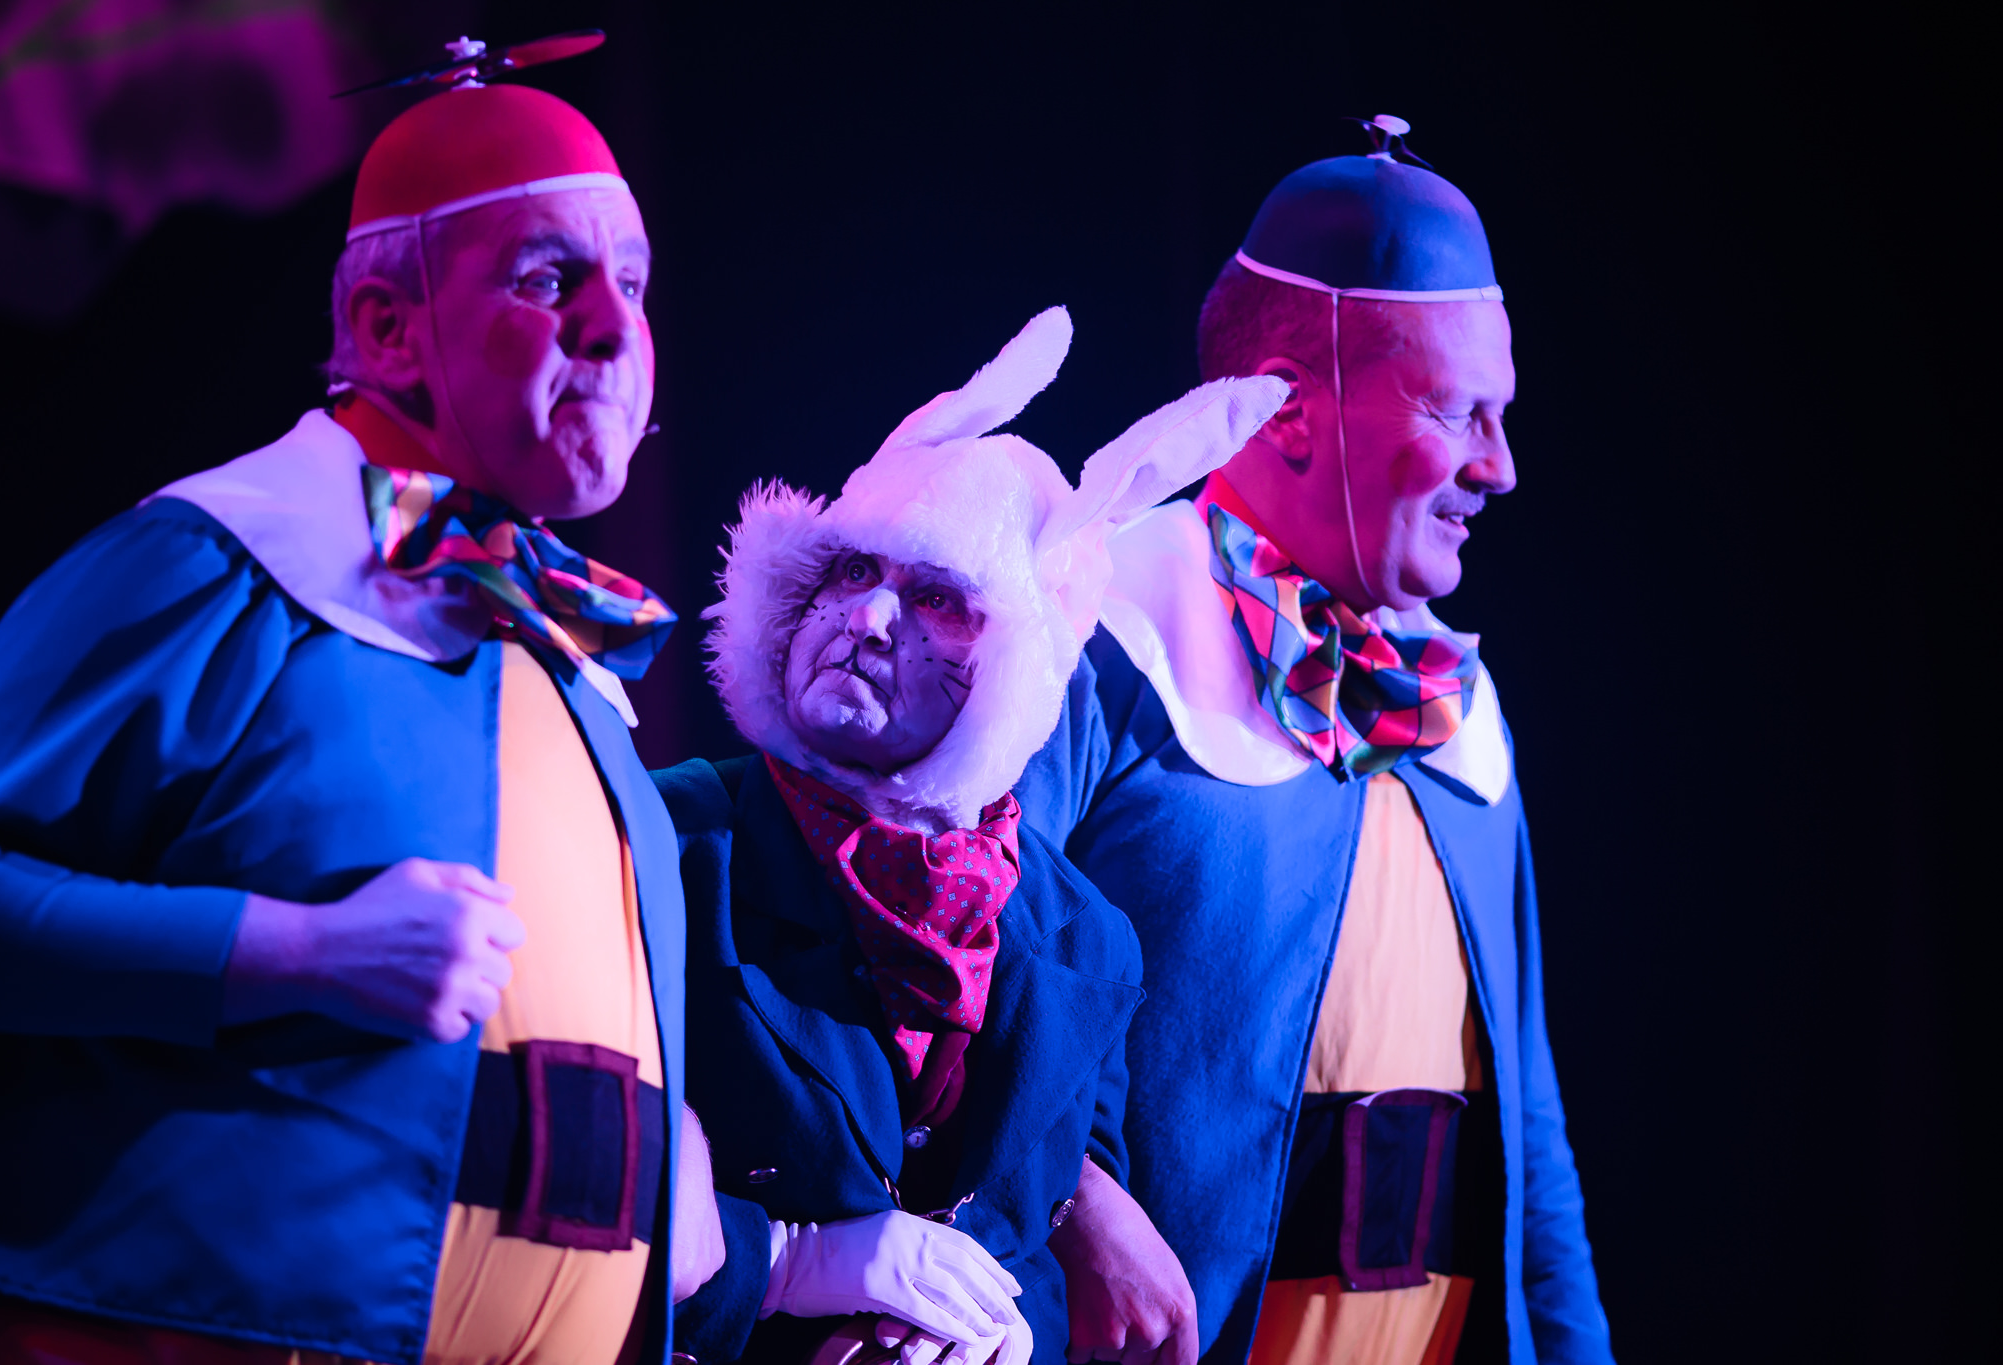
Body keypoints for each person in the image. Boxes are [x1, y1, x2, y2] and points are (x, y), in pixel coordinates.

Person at [0, 68, 722, 1365]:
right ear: (388, 329)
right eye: (548, 278)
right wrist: (289, 951)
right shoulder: (219, 566)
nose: (618, 328)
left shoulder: (569, 665)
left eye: (635, 280)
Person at [1015, 129, 1615, 1365]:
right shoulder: (1099, 636)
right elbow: (943, 981)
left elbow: (1530, 1139)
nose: (1499, 467)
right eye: (1457, 410)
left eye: (1501, 415)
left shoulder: (1457, 710)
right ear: (1289, 407)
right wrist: (1073, 1195)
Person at [658, 308, 1286, 1365]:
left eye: (936, 597)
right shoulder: (673, 842)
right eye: (852, 571)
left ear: (1019, 666)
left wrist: (997, 1335)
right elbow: (574, 1186)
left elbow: (1050, 1245)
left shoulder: (1082, 937)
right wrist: (787, 1266)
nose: (866, 620)